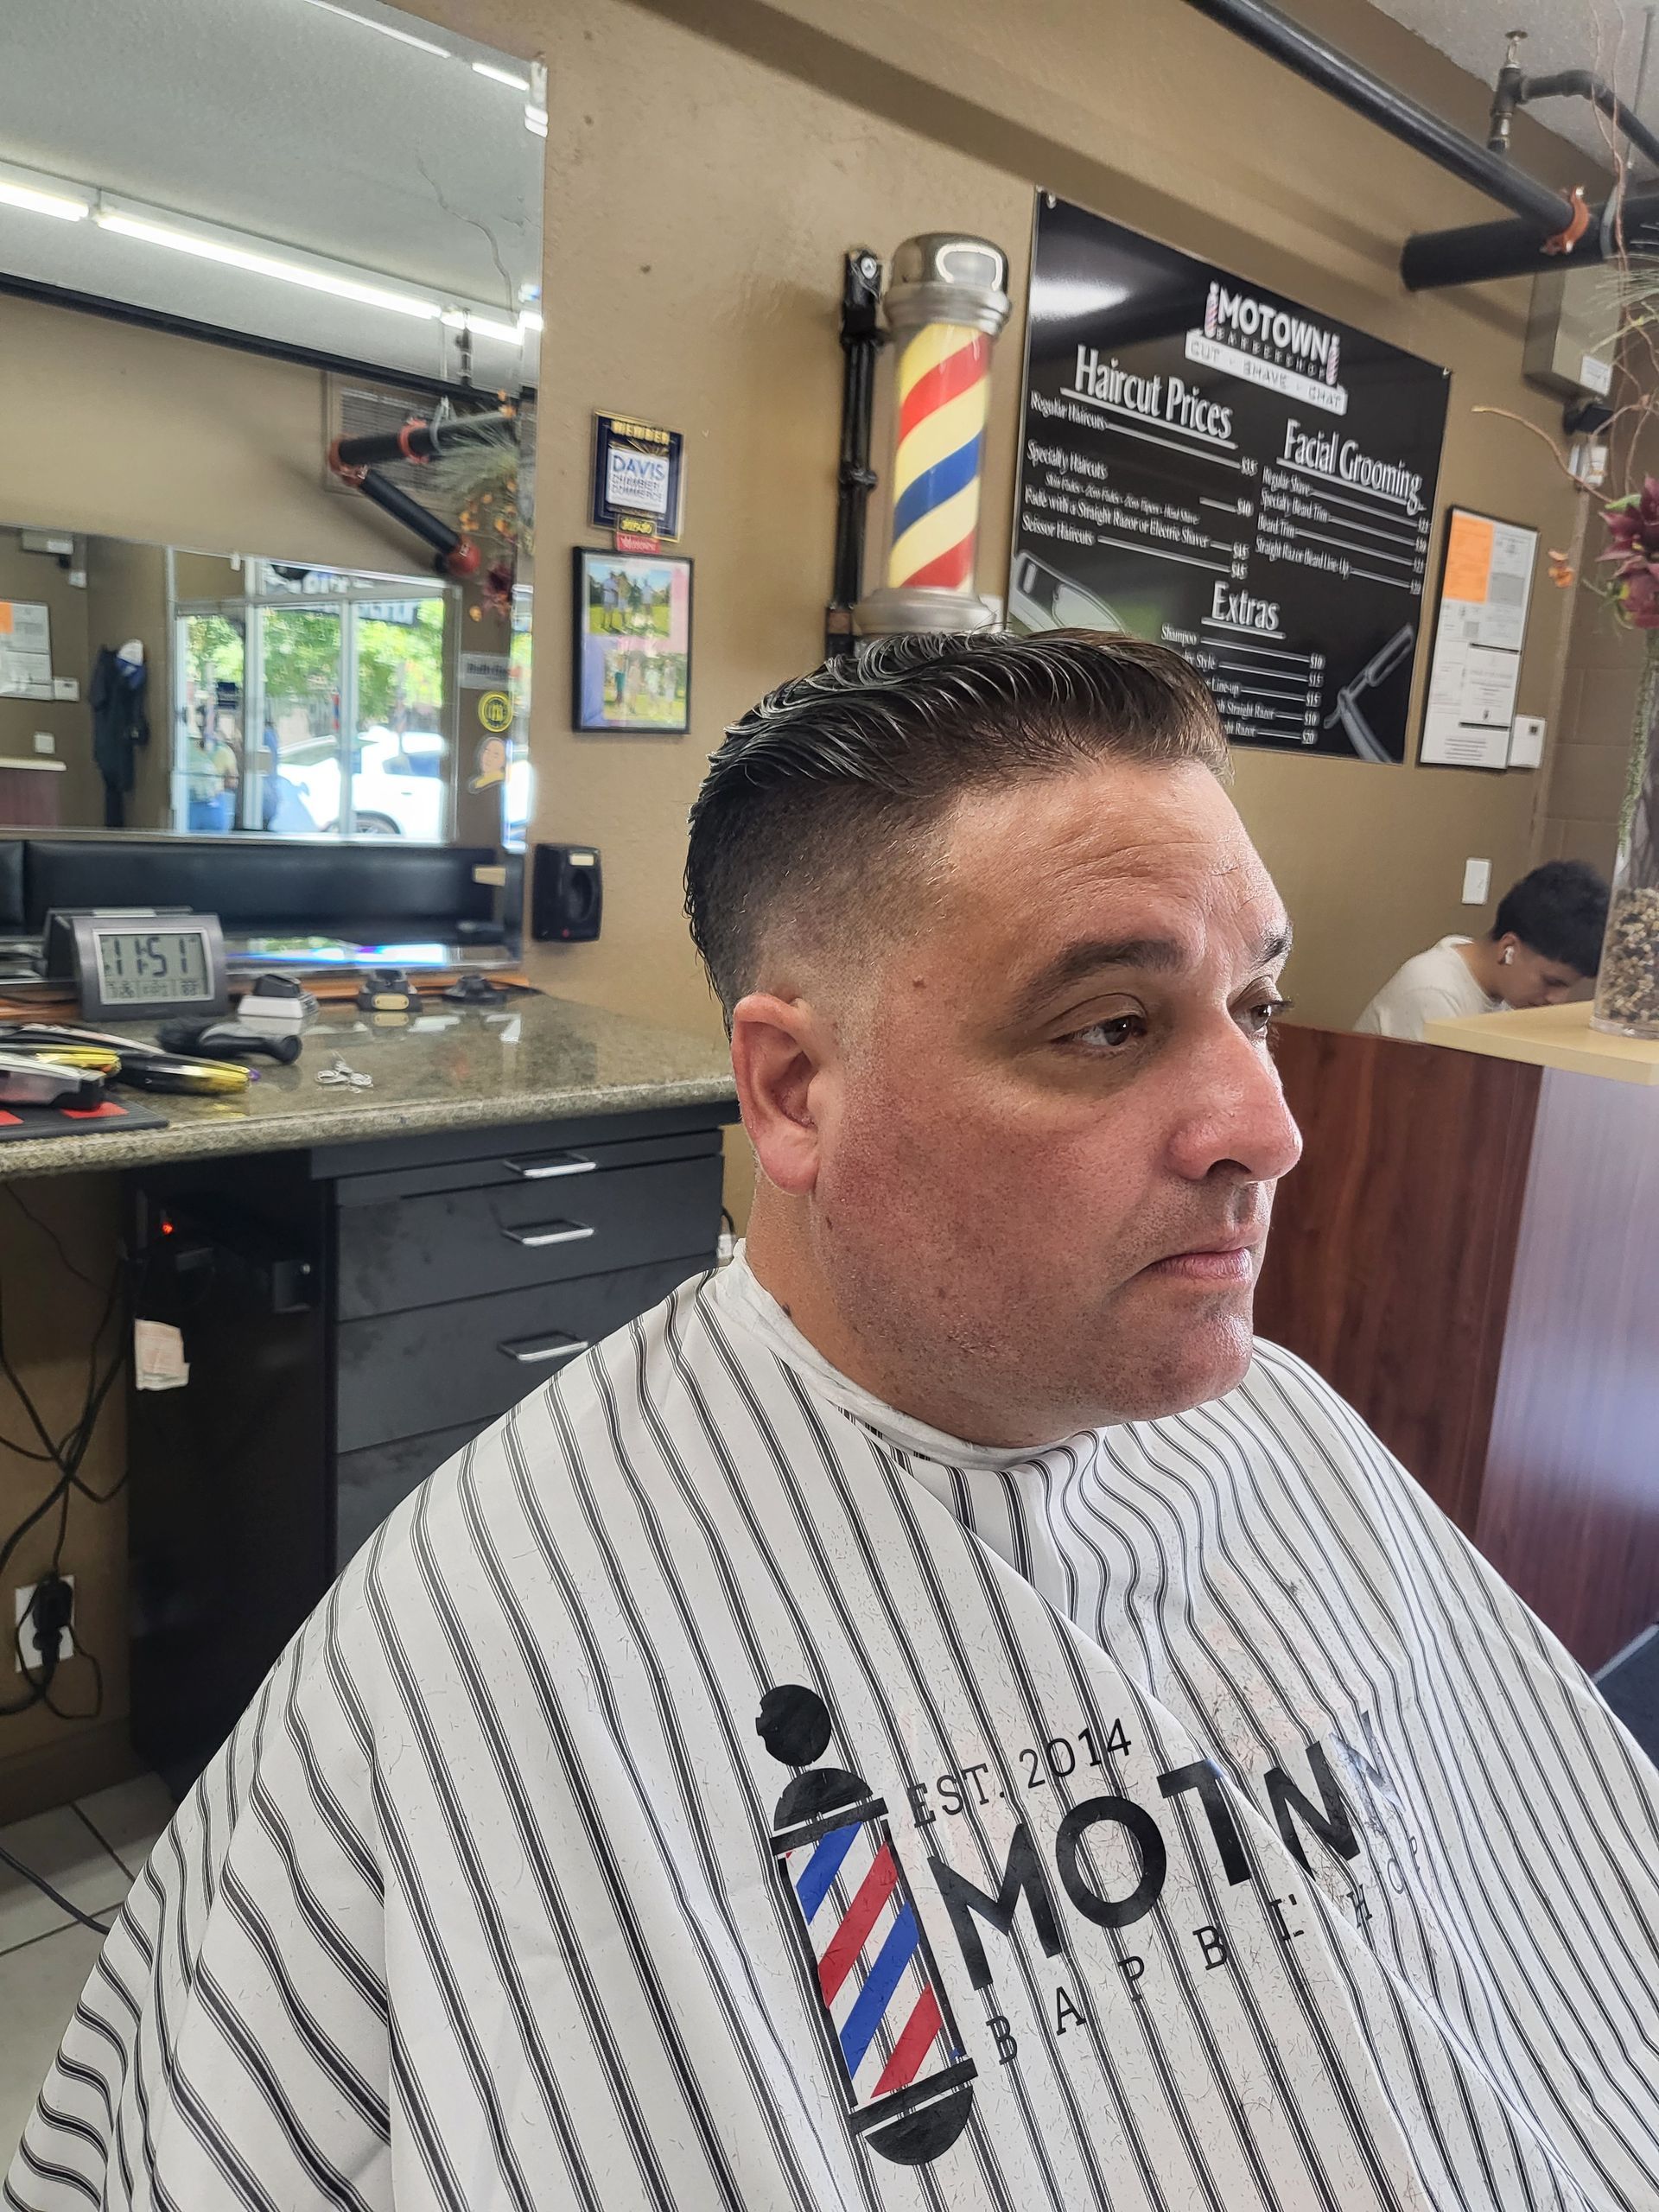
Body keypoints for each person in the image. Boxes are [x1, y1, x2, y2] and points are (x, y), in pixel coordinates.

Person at [10, 635, 1657, 2212]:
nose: (1268, 1128)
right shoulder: (475, 1646)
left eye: (1258, 1010)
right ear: (796, 1090)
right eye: (1111, 1027)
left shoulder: (1281, 1432)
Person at [1354, 859, 1608, 1041]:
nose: (1556, 999)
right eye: (1551, 981)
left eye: (1567, 986)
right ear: (1509, 948)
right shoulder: (1433, 991)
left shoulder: (1502, 989)